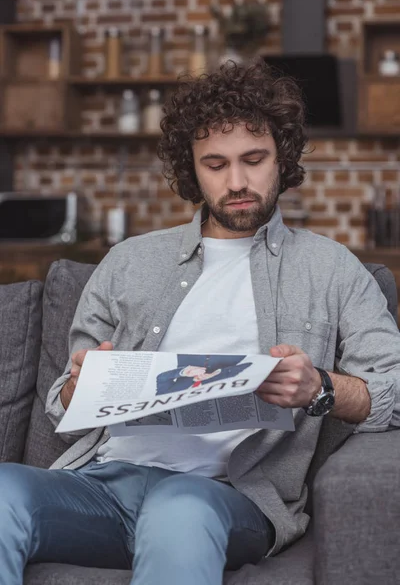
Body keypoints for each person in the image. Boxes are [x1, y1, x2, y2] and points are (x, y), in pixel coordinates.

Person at [1, 60, 400, 585]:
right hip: (104, 485)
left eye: (253, 160)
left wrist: (318, 387)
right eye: (215, 164)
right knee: (5, 489)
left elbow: (390, 388)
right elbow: (61, 406)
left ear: (282, 157)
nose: (237, 181)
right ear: (192, 169)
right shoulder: (128, 262)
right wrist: (81, 386)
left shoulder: (332, 268)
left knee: (180, 508)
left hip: (227, 495)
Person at [155, 353, 252, 394]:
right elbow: (250, 366)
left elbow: (161, 378)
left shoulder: (161, 401)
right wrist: (216, 374)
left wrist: (183, 372)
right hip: (228, 356)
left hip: (190, 354)